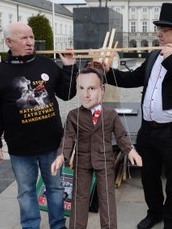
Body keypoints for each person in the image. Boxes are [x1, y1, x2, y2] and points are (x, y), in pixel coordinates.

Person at [93, 3, 172, 228]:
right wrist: (108, 73)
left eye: (164, 30)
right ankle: (155, 212)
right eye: (159, 29)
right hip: (149, 130)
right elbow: (134, 78)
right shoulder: (155, 55)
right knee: (149, 176)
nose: (158, 33)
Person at [0, 22, 78, 229]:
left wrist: (70, 67)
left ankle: (58, 225)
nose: (30, 42)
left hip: (51, 143)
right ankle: (30, 226)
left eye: (31, 37)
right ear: (9, 42)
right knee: (25, 191)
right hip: (20, 147)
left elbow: (67, 93)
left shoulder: (47, 65)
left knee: (55, 188)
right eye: (24, 38)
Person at [50, 67, 143, 229]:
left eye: (91, 89)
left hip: (104, 161)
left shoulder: (110, 114)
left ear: (102, 90)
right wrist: (61, 156)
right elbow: (68, 138)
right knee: (79, 198)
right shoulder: (74, 115)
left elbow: (121, 135)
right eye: (81, 88)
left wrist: (130, 150)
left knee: (107, 198)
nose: (86, 94)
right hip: (82, 162)